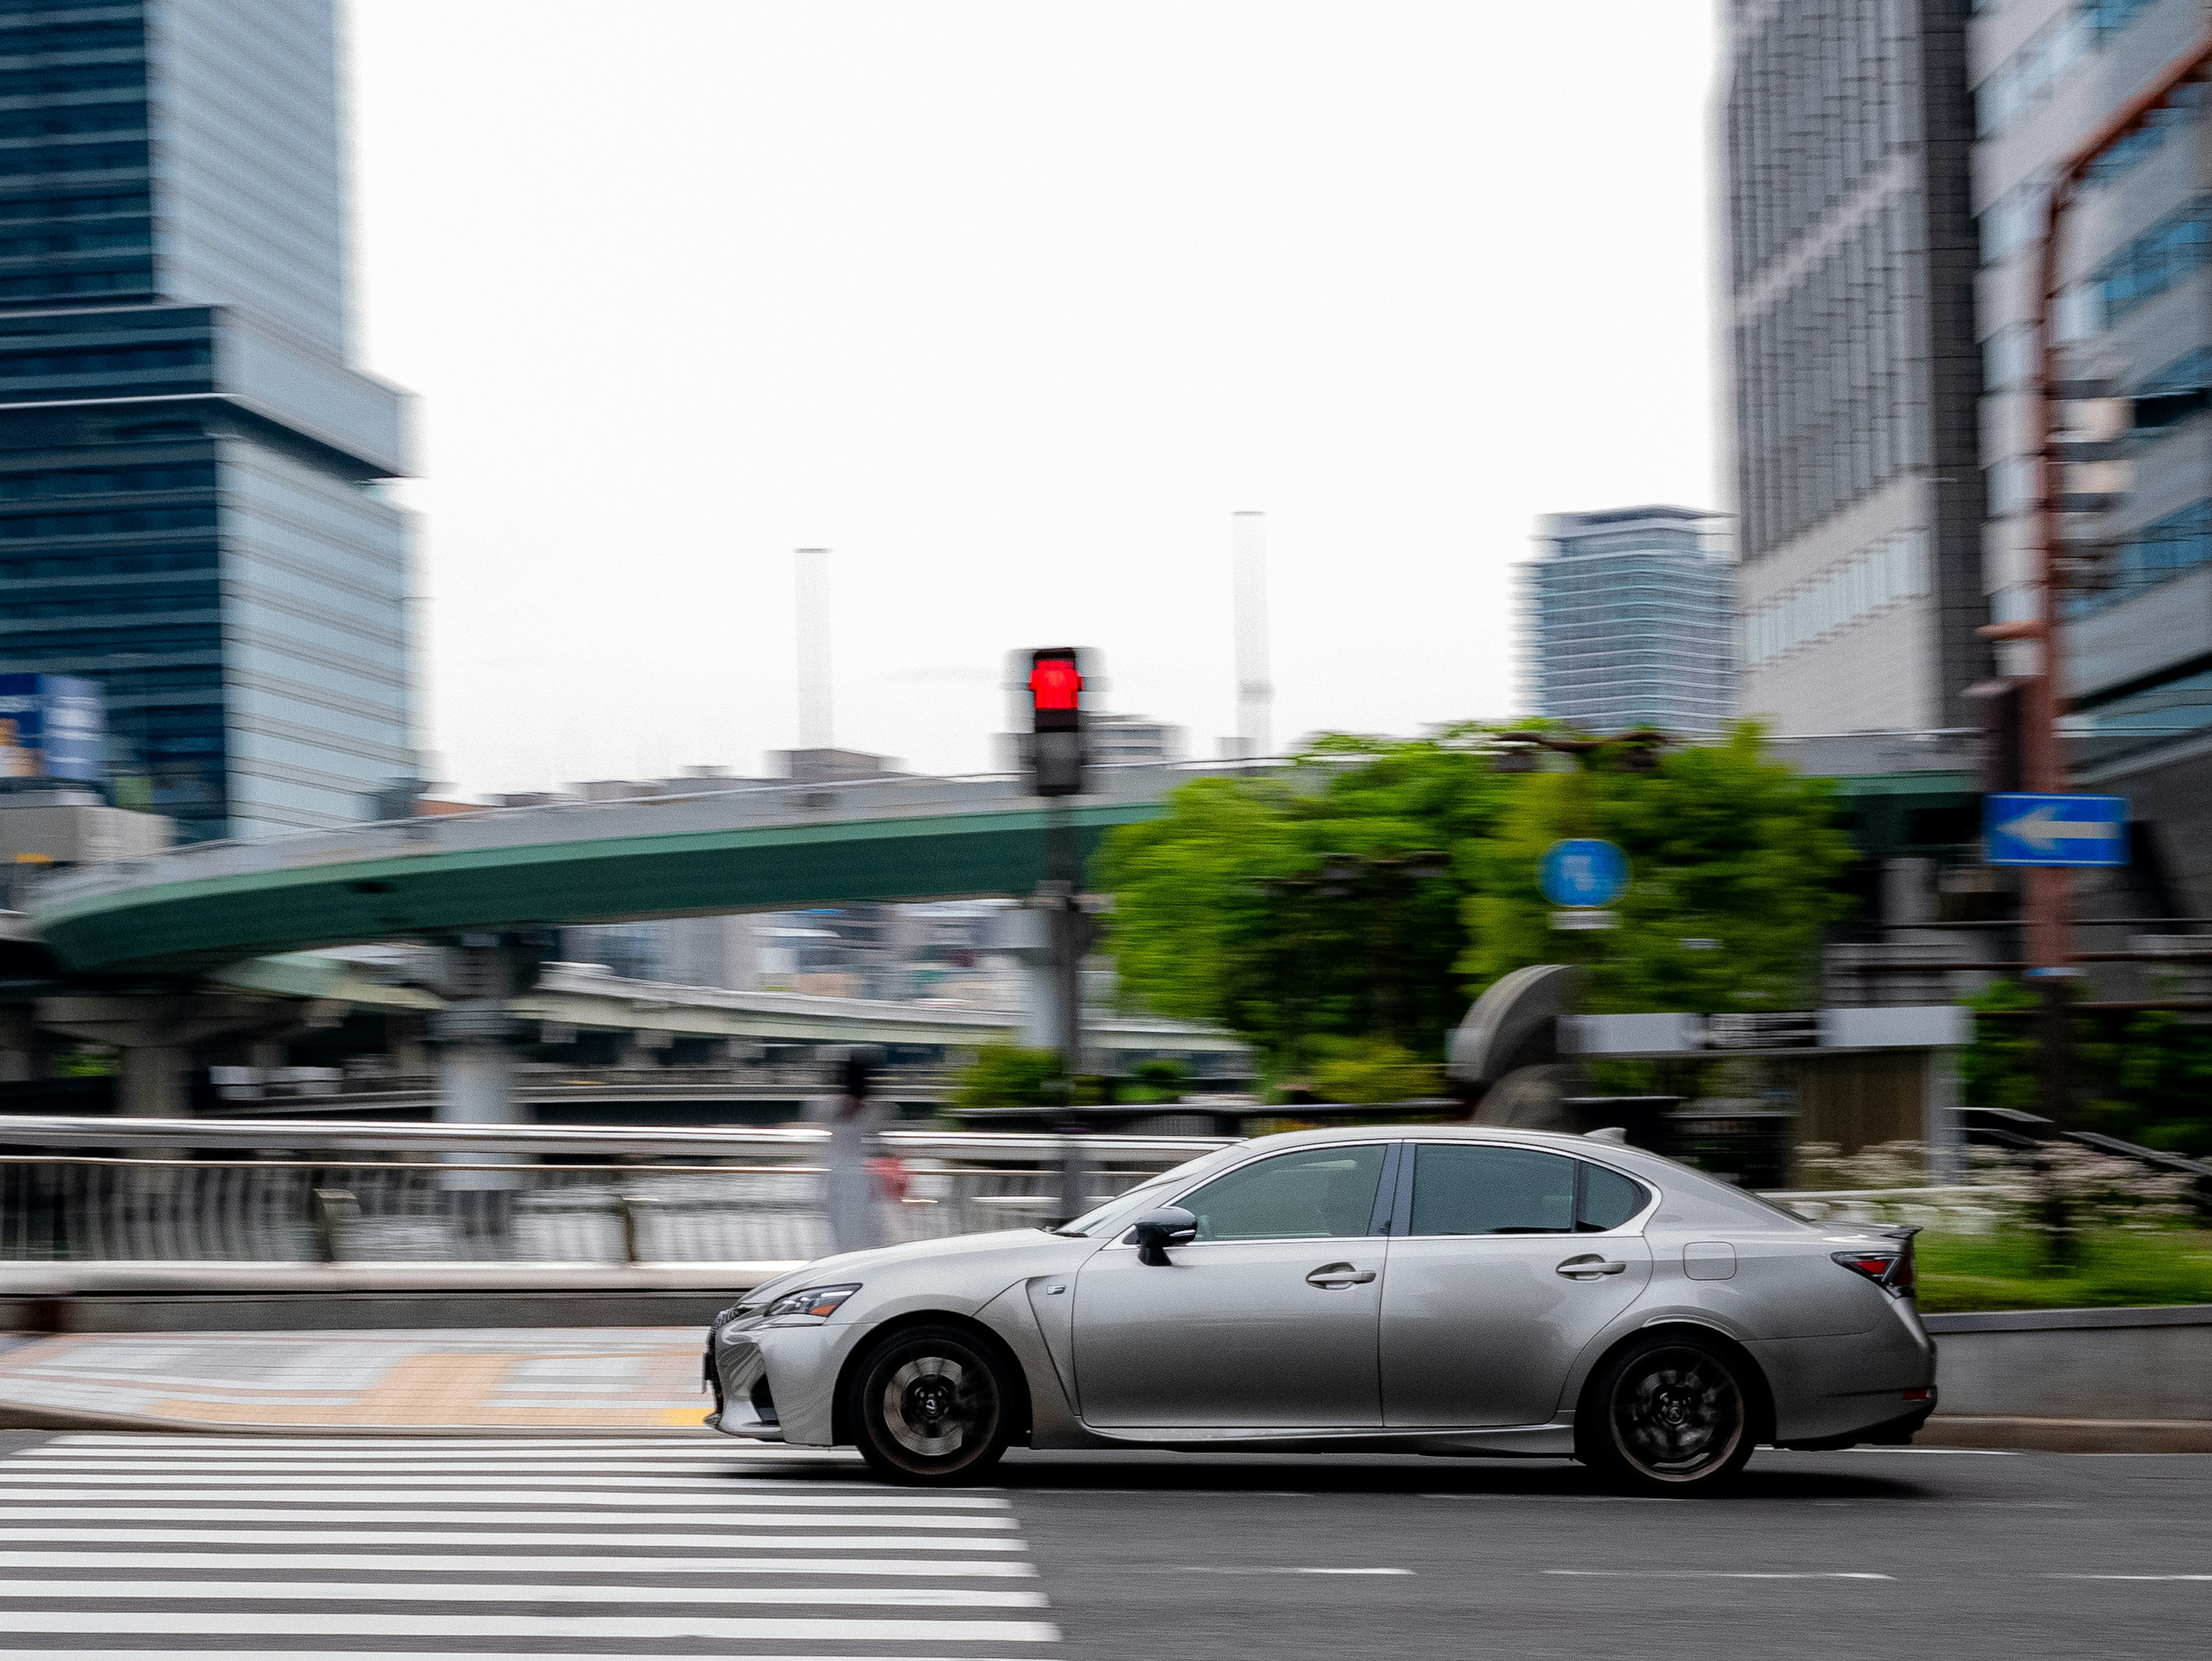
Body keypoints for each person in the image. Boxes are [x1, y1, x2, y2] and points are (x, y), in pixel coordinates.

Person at [812, 1046, 893, 1253]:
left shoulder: (825, 1108)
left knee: (842, 1231)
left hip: (837, 1177)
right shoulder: (879, 1110)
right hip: (865, 1178)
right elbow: (880, 1143)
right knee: (870, 1232)